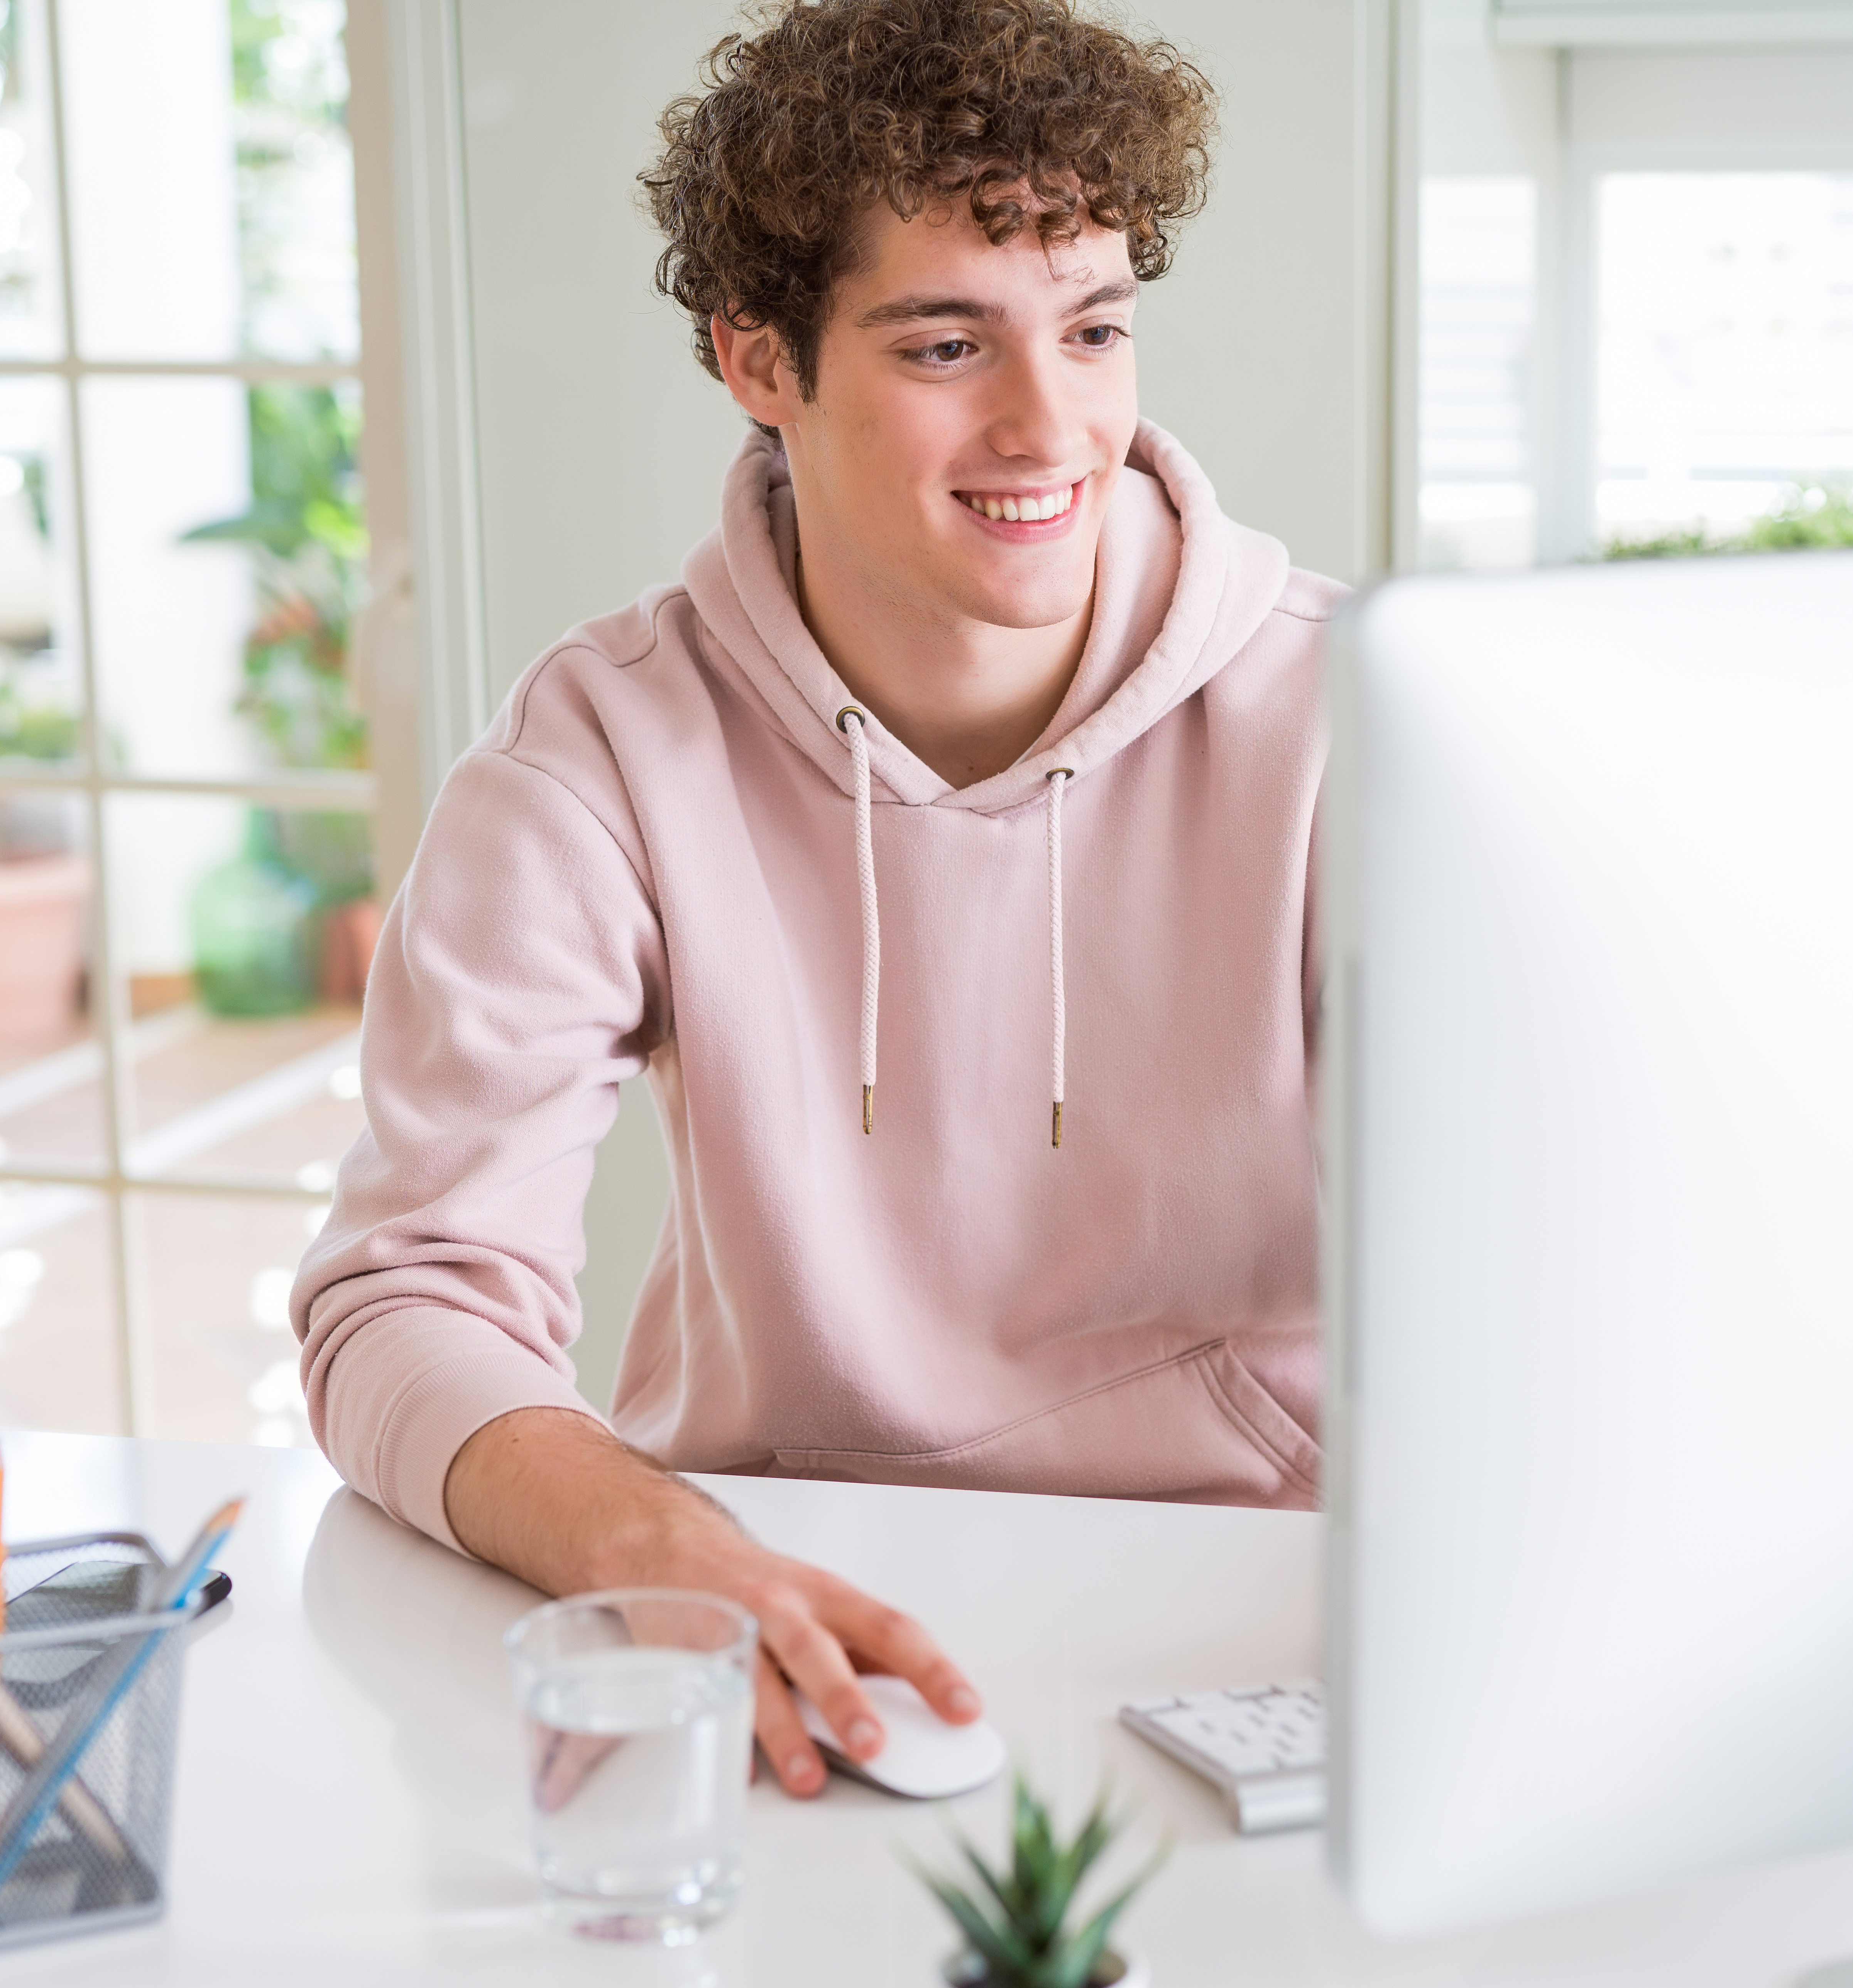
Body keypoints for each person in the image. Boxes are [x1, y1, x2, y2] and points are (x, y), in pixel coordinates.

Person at [292, 0, 1334, 1800]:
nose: (1047, 424)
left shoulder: (1353, 723)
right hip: (767, 1603)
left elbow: (1571, 1267)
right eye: (945, 345)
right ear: (757, 360)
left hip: (1248, 1628)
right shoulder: (597, 758)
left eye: (1091, 332)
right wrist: (649, 1543)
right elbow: (404, 1302)